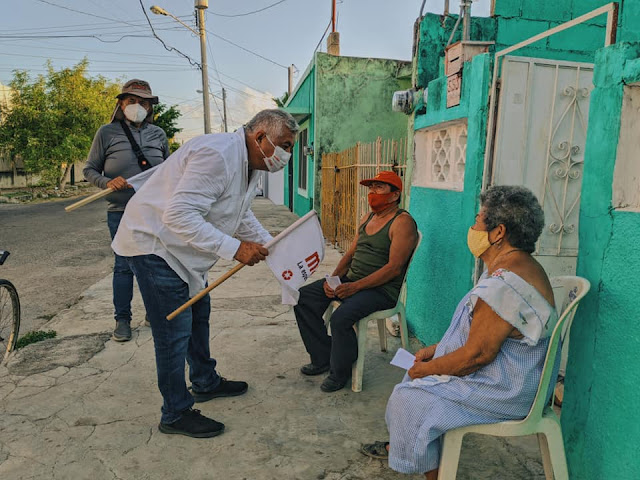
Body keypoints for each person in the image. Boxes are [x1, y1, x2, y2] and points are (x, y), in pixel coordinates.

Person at [111, 109, 299, 438]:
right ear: (259, 137)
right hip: (155, 244)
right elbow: (179, 216)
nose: (288, 154)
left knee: (199, 313)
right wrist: (235, 249)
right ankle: (175, 412)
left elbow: (238, 213)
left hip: (183, 250)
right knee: (173, 333)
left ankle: (204, 381)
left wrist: (272, 244)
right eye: (285, 145)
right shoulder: (219, 156)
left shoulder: (250, 164)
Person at [361, 185, 557, 480]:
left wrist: (430, 369)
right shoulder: (516, 267)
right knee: (414, 373)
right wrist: (436, 351)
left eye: (478, 221)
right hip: (512, 376)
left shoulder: (504, 284)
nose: (473, 227)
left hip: (506, 390)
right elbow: (484, 335)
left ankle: (431, 471)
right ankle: (412, 446)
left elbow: (477, 355)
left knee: (409, 399)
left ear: (498, 232)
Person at [294, 170, 418, 392]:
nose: (372, 193)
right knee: (303, 298)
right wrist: (333, 280)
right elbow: (350, 255)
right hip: (353, 280)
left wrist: (355, 287)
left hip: (381, 290)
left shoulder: (403, 222)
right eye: (371, 188)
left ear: (394, 195)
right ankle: (324, 356)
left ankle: (340, 371)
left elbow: (393, 268)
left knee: (341, 317)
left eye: (379, 188)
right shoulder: (367, 217)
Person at [83, 79, 169, 342]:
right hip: (120, 210)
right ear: (121, 103)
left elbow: (168, 170)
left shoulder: (159, 135)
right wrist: (107, 182)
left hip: (154, 211)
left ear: (150, 107)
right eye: (131, 100)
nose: (137, 106)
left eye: (143, 102)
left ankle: (154, 313)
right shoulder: (106, 133)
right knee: (124, 266)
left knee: (156, 263)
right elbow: (89, 170)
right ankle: (122, 320)